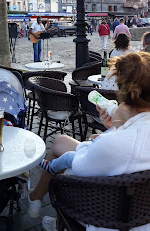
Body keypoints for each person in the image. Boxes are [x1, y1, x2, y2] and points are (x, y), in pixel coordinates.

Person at [27, 52, 150, 231]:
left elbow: (80, 164)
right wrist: (114, 128)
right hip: (140, 212)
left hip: (104, 213)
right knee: (61, 141)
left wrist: (108, 135)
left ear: (123, 93)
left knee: (63, 163)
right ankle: (38, 202)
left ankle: (56, 218)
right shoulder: (130, 133)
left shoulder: (115, 143)